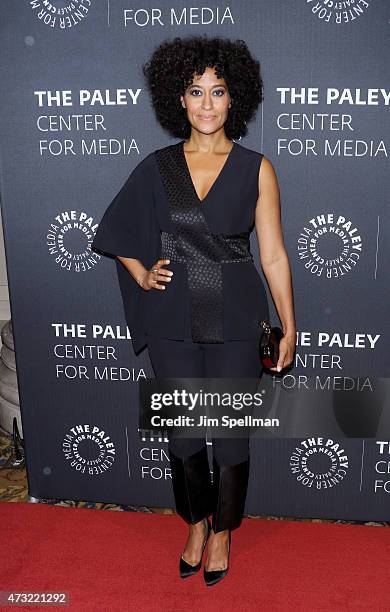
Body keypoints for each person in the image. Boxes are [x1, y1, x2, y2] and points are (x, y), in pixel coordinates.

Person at [91, 35, 296, 587]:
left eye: (219, 92)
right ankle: (196, 524)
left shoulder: (257, 168)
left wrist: (289, 325)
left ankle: (225, 530)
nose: (207, 103)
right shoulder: (157, 167)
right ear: (177, 99)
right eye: (195, 91)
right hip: (171, 316)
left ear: (235, 100)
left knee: (229, 433)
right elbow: (114, 230)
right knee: (182, 433)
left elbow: (272, 253)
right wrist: (139, 272)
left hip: (236, 315)